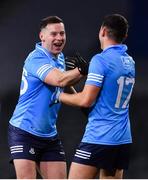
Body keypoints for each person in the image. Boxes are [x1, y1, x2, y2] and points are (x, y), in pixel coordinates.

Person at [8, 16, 88, 179]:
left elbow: (64, 83)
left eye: (62, 33)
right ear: (42, 36)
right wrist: (81, 71)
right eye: (54, 34)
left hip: (49, 135)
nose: (59, 38)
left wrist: (81, 100)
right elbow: (59, 79)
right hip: (24, 131)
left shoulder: (59, 58)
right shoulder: (36, 58)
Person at [58, 14, 135, 179]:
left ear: (103, 31)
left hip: (100, 137)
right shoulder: (129, 61)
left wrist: (58, 96)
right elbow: (99, 100)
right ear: (125, 36)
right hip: (122, 139)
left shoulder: (100, 60)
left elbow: (86, 100)